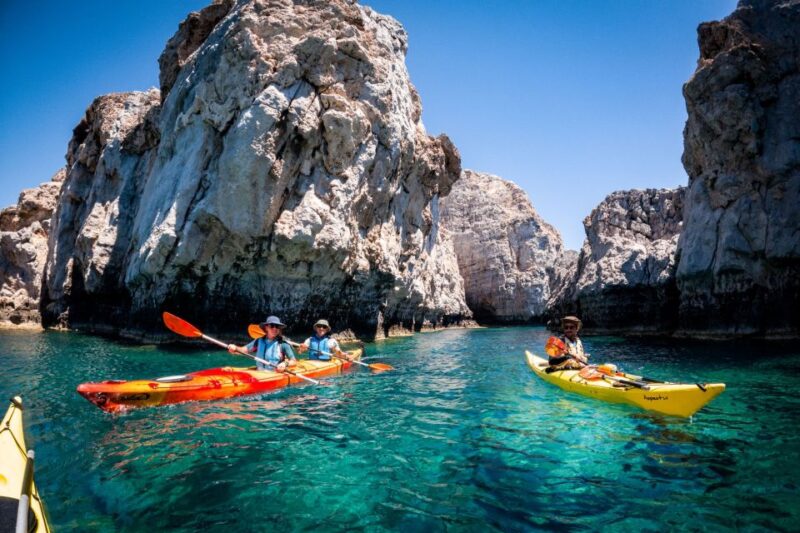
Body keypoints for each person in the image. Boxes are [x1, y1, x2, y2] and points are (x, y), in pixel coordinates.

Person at [228, 316, 297, 372]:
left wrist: (285, 364)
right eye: (272, 326)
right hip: (259, 373)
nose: (275, 328)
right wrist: (235, 348)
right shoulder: (258, 341)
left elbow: (293, 361)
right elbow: (243, 350)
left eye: (277, 326)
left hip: (274, 375)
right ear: (266, 328)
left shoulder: (283, 344)